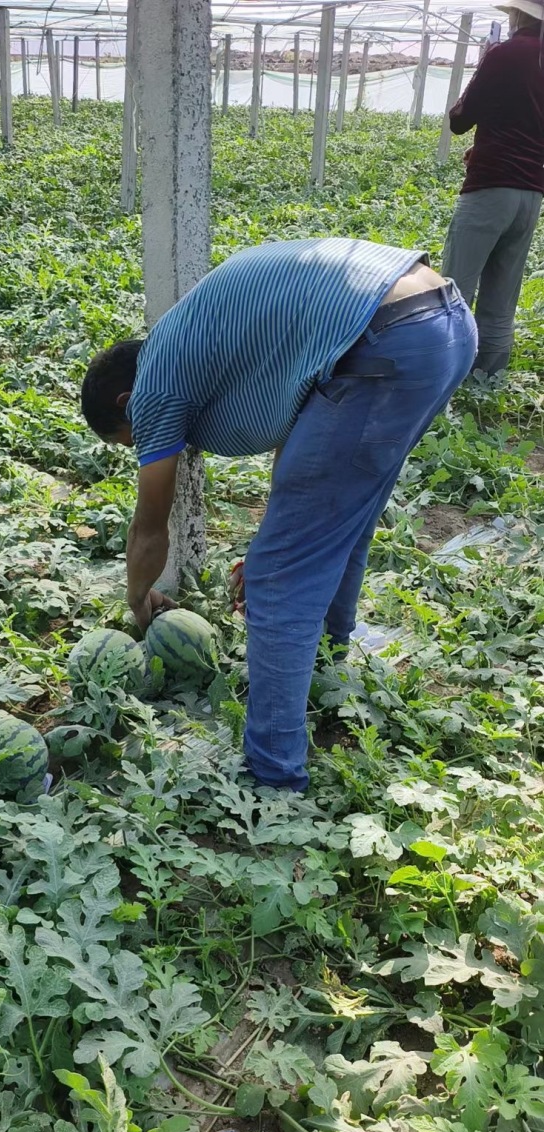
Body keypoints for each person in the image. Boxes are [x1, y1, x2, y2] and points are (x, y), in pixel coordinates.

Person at [80, 239, 477, 792]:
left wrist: (137, 598)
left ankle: (273, 772)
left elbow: (151, 524)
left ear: (126, 402)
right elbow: (306, 445)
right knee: (348, 518)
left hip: (383, 340)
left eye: (130, 442)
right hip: (444, 323)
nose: (143, 447)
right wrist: (278, 535)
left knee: (278, 579)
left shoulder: (154, 387)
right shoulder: (196, 341)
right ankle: (329, 652)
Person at [441, 1, 544, 374]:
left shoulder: (506, 54)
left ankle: (445, 380)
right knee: (503, 295)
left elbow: (460, 119)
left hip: (490, 186)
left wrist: (486, 63)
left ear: (518, 14)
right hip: (531, 193)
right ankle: (490, 378)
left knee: (454, 292)